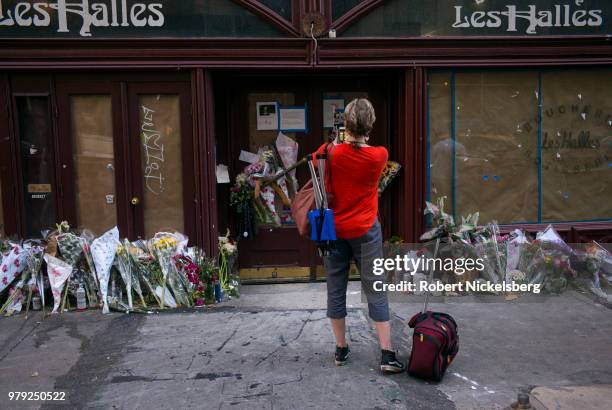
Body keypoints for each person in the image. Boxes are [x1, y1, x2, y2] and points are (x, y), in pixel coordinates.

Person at [316, 98, 405, 373]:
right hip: (366, 229)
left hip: (333, 229)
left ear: (345, 123)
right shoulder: (379, 155)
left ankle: (341, 349)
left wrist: (336, 139)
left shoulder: (332, 152)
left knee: (335, 287)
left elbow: (320, 153)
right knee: (375, 287)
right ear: (371, 125)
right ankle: (387, 354)